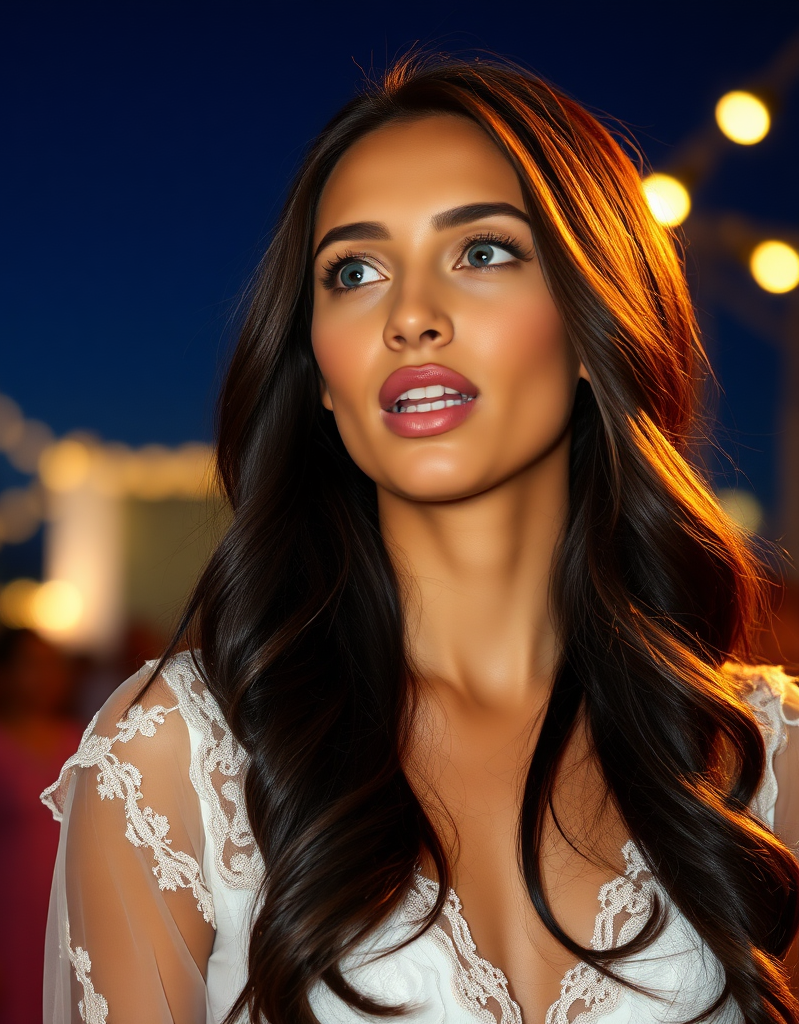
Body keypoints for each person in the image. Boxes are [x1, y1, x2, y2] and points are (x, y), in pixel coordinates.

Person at [42, 57, 799, 1024]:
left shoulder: (764, 761)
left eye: (482, 252)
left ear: (590, 316)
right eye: (354, 272)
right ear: (318, 369)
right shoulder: (174, 763)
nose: (410, 318)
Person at [0, 628, 81, 1024]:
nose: (43, 677)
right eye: (29, 666)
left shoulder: (79, 741)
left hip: (62, 915)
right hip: (3, 922)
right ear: (3, 675)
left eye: (50, 665)